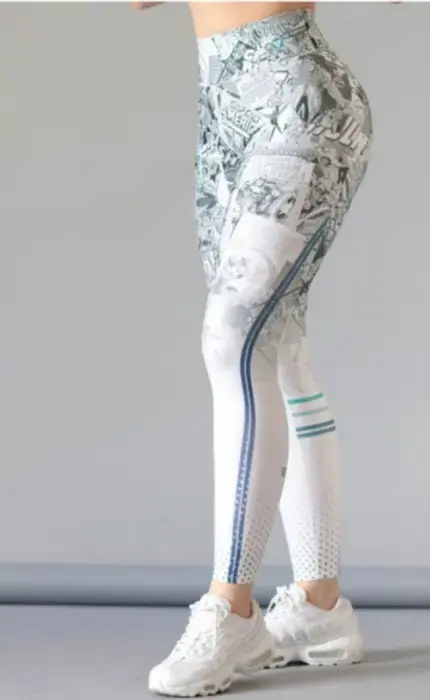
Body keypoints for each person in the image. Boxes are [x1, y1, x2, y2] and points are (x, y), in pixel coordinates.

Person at [135, 2, 373, 696]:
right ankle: (320, 605)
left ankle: (231, 608)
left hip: (301, 101)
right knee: (279, 345)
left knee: (232, 338)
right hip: (224, 104)